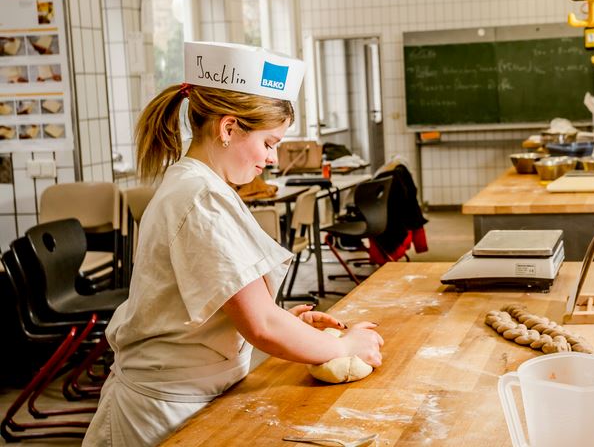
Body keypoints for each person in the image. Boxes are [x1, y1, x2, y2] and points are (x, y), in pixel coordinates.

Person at [84, 42, 384, 446]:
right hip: (161, 413)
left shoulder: (203, 187)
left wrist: (290, 327)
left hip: (194, 392)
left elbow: (224, 310)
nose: (272, 159)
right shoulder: (199, 197)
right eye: (269, 143)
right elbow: (261, 325)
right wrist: (346, 344)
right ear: (228, 128)